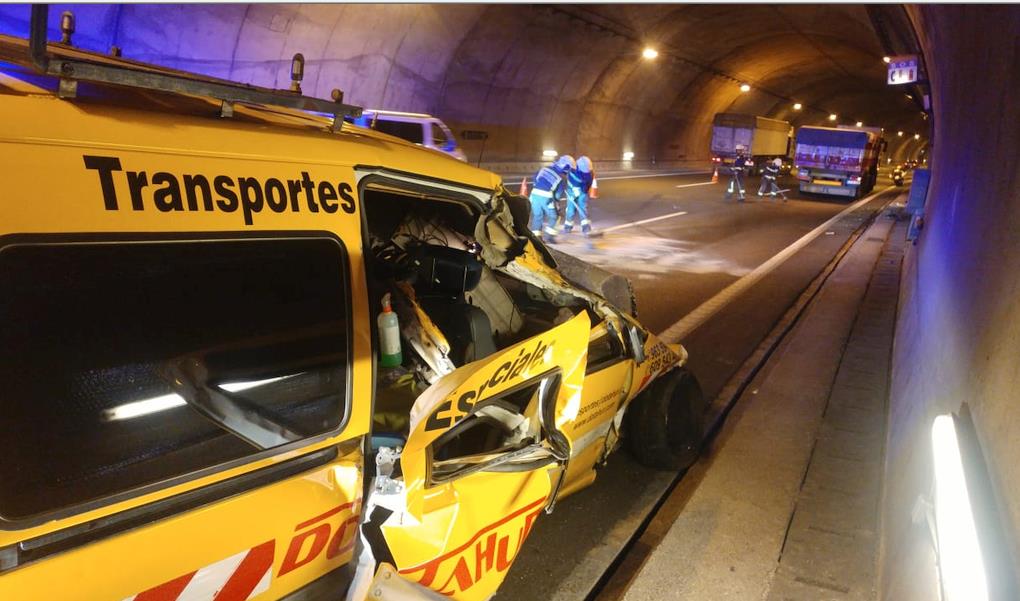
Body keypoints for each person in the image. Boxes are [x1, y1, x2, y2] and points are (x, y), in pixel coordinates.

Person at [529, 154, 574, 243]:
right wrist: (556, 204)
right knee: (555, 216)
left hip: (534, 194)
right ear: (566, 167)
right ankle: (550, 236)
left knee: (538, 216)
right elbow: (557, 195)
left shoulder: (545, 168)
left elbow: (535, 178)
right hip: (546, 197)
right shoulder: (562, 177)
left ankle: (536, 238)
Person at [564, 155, 595, 235]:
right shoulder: (573, 170)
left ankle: (585, 226)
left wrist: (583, 191)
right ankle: (568, 226)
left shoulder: (589, 173)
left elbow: (588, 184)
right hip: (572, 190)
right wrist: (574, 191)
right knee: (571, 209)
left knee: (581, 207)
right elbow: (570, 180)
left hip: (581, 191)